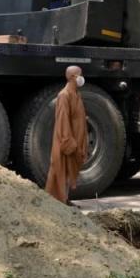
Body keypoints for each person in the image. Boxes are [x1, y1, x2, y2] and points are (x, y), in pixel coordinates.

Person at [45, 65, 89, 204]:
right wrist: (69, 142)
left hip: (76, 138)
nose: (82, 78)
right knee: (60, 169)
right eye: (80, 75)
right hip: (66, 140)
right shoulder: (64, 95)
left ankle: (64, 199)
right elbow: (62, 120)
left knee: (69, 172)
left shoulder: (76, 94)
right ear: (72, 77)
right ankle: (57, 201)